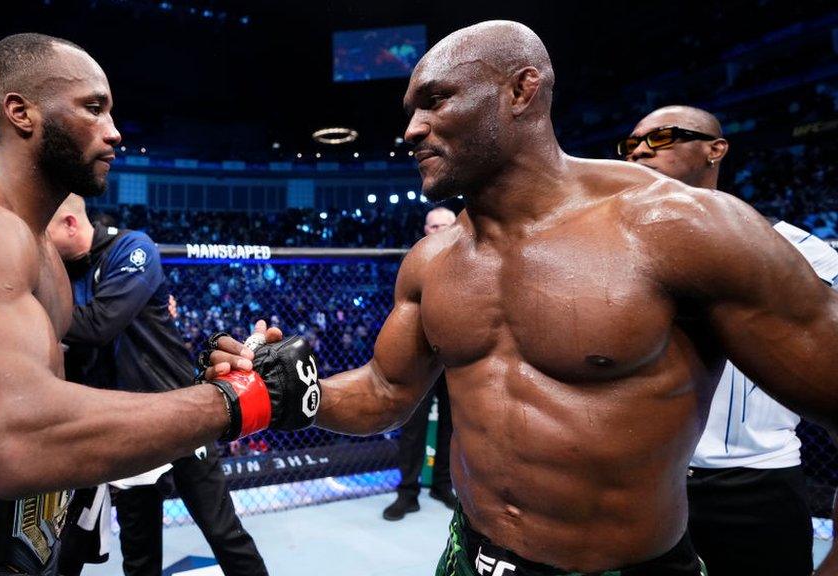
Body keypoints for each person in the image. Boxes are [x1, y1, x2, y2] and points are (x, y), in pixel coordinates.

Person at [209, 21, 838, 575]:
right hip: (469, 556)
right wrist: (283, 391)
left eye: (435, 100)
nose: (410, 129)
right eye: (410, 109)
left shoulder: (678, 228)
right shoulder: (433, 258)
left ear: (521, 90)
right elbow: (385, 393)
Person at [0, 33, 315, 575]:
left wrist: (214, 378)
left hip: (31, 550)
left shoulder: (40, 250)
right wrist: (237, 401)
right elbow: (17, 439)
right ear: (21, 113)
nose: (113, 132)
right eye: (93, 108)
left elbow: (56, 385)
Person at [620, 105, 838, 576]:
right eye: (632, 142)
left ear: (715, 149)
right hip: (643, 484)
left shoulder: (801, 253)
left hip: (757, 485)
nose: (639, 150)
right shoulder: (612, 257)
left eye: (662, 138)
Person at [47, 194, 268, 576]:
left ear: (69, 223)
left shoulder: (132, 247)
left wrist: (30, 312)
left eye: (44, 231)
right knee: (139, 552)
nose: (39, 243)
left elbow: (99, 324)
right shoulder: (62, 273)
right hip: (124, 422)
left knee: (223, 533)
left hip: (178, 407)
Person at [383, 206, 457, 521]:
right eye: (433, 226)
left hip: (456, 356)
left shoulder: (474, 261)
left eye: (445, 225)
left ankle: (443, 485)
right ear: (425, 230)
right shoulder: (415, 263)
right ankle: (407, 492)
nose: (438, 231)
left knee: (452, 426)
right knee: (412, 427)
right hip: (421, 356)